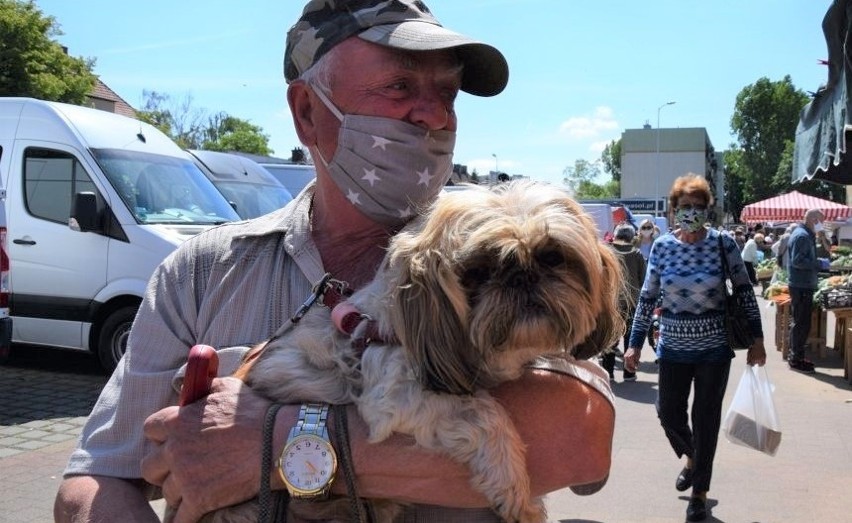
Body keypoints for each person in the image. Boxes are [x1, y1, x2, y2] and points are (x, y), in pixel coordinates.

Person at [54, 2, 616, 522]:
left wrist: (275, 440)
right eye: (399, 86)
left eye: (447, 93)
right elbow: (99, 478)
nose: (432, 116)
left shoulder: (493, 246)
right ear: (306, 112)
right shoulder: (200, 272)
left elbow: (580, 444)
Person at [623, 174, 766, 522]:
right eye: (685, 207)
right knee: (668, 412)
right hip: (672, 347)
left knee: (705, 420)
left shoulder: (723, 244)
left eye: (698, 207)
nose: (691, 212)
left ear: (708, 210)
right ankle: (693, 458)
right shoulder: (662, 247)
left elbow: (745, 291)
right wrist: (634, 344)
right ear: (673, 211)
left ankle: (699, 493)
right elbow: (647, 297)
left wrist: (758, 340)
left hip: (714, 350)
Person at [600, 223, 646, 382]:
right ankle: (629, 372)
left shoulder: (607, 253)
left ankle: (608, 373)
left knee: (610, 339)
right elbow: (643, 280)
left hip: (611, 303)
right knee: (629, 339)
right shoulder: (637, 254)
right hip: (632, 303)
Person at [786, 208, 827, 373]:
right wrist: (818, 264)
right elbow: (797, 261)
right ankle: (796, 359)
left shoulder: (803, 234)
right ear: (814, 220)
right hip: (801, 285)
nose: (822, 225)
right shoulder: (802, 236)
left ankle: (797, 356)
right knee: (801, 323)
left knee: (801, 322)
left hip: (802, 284)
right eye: (821, 221)